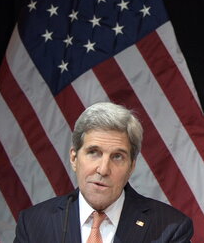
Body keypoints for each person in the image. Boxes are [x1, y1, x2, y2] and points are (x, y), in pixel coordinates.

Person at [14, 102, 193, 242]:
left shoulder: (169, 228)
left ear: (131, 166)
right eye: (93, 153)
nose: (103, 169)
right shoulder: (34, 224)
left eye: (117, 157)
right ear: (74, 158)